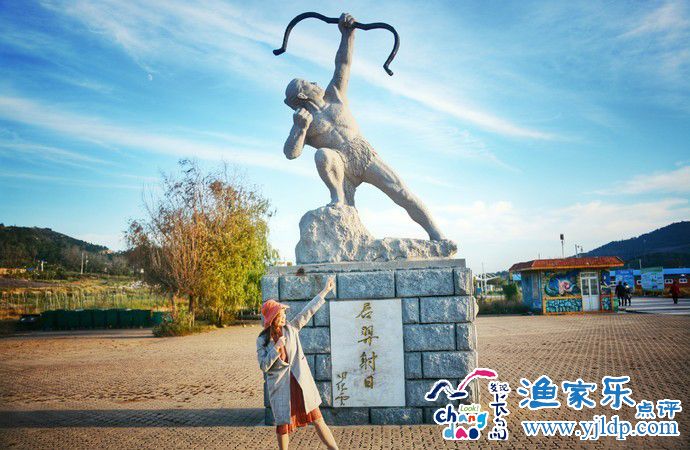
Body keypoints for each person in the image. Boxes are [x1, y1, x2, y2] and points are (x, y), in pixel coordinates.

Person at [282, 13, 446, 241]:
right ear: (302, 95)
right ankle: (338, 197)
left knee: (401, 192)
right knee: (322, 155)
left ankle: (436, 234)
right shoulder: (304, 120)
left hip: (363, 154)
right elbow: (291, 153)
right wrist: (300, 129)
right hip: (340, 166)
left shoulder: (334, 95)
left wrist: (347, 35)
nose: (315, 83)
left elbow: (343, 64)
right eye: (308, 83)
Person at [257, 276, 338, 450]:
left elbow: (307, 312)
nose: (284, 317)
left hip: (301, 383)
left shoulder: (291, 329)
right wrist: (276, 348)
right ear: (273, 318)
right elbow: (263, 365)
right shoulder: (262, 340)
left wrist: (325, 290)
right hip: (281, 387)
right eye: (281, 315)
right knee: (283, 426)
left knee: (318, 418)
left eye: (284, 314)